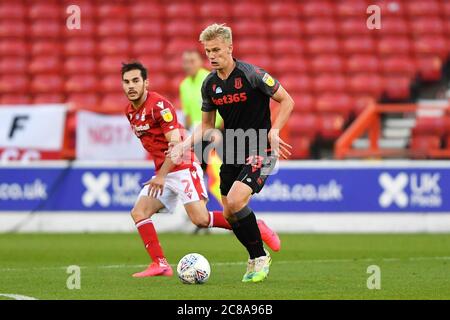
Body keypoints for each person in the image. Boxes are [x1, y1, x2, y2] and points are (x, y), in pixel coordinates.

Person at [121, 61, 281, 278]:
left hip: (182, 166)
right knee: (139, 212)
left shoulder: (159, 106)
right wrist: (161, 174)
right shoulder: (130, 111)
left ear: (145, 83)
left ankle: (255, 226)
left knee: (201, 220)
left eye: (135, 81)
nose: (131, 86)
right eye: (126, 82)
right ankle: (160, 264)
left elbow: (174, 145)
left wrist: (161, 176)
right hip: (164, 171)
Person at [168, 24, 294, 283]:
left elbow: (287, 100)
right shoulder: (209, 84)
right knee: (228, 213)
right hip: (233, 149)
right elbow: (206, 126)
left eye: (216, 50)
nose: (212, 56)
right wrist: (184, 145)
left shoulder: (252, 74)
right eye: (207, 51)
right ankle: (255, 250)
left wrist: (276, 130)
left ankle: (259, 257)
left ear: (229, 48)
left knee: (236, 201)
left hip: (261, 147)